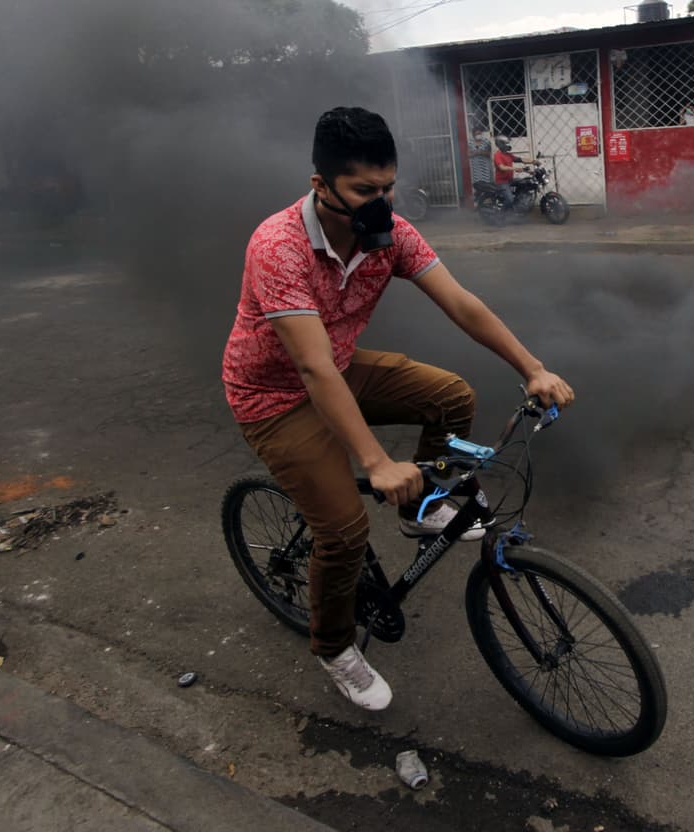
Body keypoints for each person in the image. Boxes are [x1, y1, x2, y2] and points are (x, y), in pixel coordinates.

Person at [221, 107, 575, 711]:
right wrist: (376, 460)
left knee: (450, 396)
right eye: (364, 190)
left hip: (336, 366)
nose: (380, 202)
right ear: (320, 185)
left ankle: (422, 512)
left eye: (388, 187)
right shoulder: (277, 246)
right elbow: (311, 369)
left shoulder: (391, 234)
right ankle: (334, 647)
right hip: (274, 395)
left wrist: (532, 367)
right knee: (343, 530)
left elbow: (462, 304)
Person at [492, 134, 530, 209]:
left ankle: (519, 204)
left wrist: (533, 161)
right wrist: (515, 168)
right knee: (510, 199)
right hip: (502, 182)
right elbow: (502, 167)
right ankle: (501, 215)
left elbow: (520, 160)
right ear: (501, 144)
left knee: (524, 182)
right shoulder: (497, 155)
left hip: (509, 180)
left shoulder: (508, 155)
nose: (508, 145)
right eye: (506, 143)